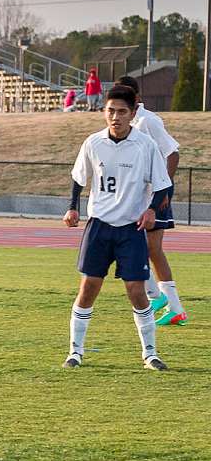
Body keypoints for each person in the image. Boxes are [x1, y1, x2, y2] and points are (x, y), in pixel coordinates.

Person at [61, 84, 172, 371]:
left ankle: (150, 354)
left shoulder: (145, 146)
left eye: (122, 112)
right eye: (111, 111)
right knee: (88, 288)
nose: (116, 117)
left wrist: (150, 209)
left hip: (130, 229)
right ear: (103, 111)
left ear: (133, 113)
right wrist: (73, 206)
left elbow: (162, 186)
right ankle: (75, 352)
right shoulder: (93, 142)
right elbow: (79, 177)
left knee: (137, 291)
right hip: (99, 226)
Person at [115, 76, 187, 326]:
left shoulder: (148, 121)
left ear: (135, 98)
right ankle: (170, 304)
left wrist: (162, 190)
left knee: (146, 249)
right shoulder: (129, 123)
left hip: (157, 193)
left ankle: (158, 297)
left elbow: (173, 153)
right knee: (148, 250)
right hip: (141, 193)